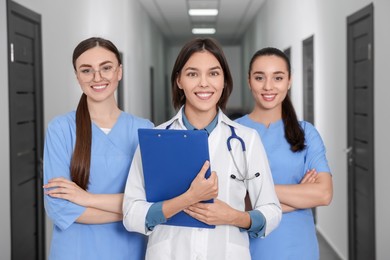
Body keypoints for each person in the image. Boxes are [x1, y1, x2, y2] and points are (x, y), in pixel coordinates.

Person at [123, 38, 281, 260]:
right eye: (192, 74)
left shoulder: (246, 140)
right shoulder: (155, 139)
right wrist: (187, 199)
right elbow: (131, 215)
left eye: (214, 73)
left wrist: (234, 216)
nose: (204, 83)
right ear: (179, 80)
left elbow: (272, 211)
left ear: (224, 80)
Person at [43, 37, 153, 260]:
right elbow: (59, 207)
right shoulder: (60, 129)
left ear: (119, 72)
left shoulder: (143, 129)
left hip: (128, 251)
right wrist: (132, 210)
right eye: (86, 70)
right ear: (77, 76)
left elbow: (152, 202)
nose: (97, 77)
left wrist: (86, 199)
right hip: (74, 251)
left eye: (106, 68)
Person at [236, 47, 333, 259]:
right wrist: (300, 194)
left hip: (297, 247)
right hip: (246, 248)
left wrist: (257, 191)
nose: (268, 86)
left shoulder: (306, 132)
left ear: (289, 81)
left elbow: (323, 194)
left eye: (278, 77)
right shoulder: (232, 132)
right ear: (249, 80)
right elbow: (231, 202)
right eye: (260, 77)